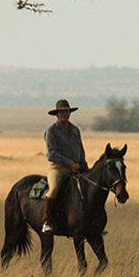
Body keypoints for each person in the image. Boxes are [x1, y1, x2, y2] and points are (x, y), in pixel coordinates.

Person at [42, 99, 88, 233]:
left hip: (76, 167)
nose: (64, 114)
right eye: (61, 112)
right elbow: (51, 154)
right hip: (57, 168)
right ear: (57, 114)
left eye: (66, 112)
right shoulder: (51, 131)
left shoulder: (75, 130)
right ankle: (47, 220)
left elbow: (81, 150)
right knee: (54, 189)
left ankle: (93, 223)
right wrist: (69, 163)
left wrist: (84, 167)